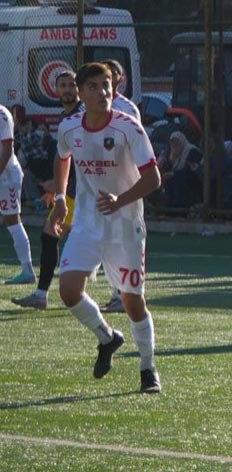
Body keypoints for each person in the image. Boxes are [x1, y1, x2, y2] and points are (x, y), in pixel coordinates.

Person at [46, 62, 162, 393]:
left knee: (132, 301)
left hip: (124, 226)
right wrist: (59, 200)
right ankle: (107, 338)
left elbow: (153, 178)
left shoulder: (129, 128)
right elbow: (62, 156)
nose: (103, 92)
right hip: (87, 222)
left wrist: (120, 199)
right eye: (94, 87)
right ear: (81, 94)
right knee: (68, 290)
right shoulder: (69, 128)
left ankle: (147, 367)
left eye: (107, 85)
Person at [12, 72, 81, 310]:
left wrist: (59, 185)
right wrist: (57, 187)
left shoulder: (81, 116)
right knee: (51, 233)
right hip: (72, 191)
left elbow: (80, 157)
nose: (68, 90)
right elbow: (63, 158)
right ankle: (41, 294)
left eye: (72, 85)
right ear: (56, 89)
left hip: (84, 191)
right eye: (63, 85)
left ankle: (43, 294)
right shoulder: (66, 118)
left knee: (54, 233)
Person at [98, 59, 141, 313]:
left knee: (122, 237)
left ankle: (124, 293)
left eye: (112, 75)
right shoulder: (92, 105)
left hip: (123, 180)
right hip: (102, 180)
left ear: (120, 79)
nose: (108, 79)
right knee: (106, 237)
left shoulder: (127, 108)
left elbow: (134, 144)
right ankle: (118, 291)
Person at [1, 104, 34, 285]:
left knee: (12, 220)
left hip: (6, 177)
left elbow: (7, 148)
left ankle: (28, 271)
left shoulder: (2, 114)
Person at [160, 131, 202, 210]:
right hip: (178, 178)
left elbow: (191, 170)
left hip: (191, 180)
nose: (175, 146)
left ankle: (179, 209)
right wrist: (171, 160)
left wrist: (174, 174)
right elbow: (168, 169)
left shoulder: (191, 151)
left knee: (179, 181)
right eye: (172, 143)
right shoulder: (174, 153)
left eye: (177, 143)